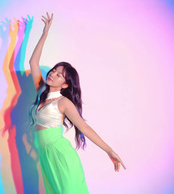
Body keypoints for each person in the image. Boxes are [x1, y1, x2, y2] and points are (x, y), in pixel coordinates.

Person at [28, 12, 126, 194]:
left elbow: (84, 128)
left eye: (59, 75)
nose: (52, 74)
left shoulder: (63, 102)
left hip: (60, 154)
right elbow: (33, 62)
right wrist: (45, 33)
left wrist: (109, 151)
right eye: (54, 70)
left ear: (65, 84)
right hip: (45, 155)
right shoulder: (41, 92)